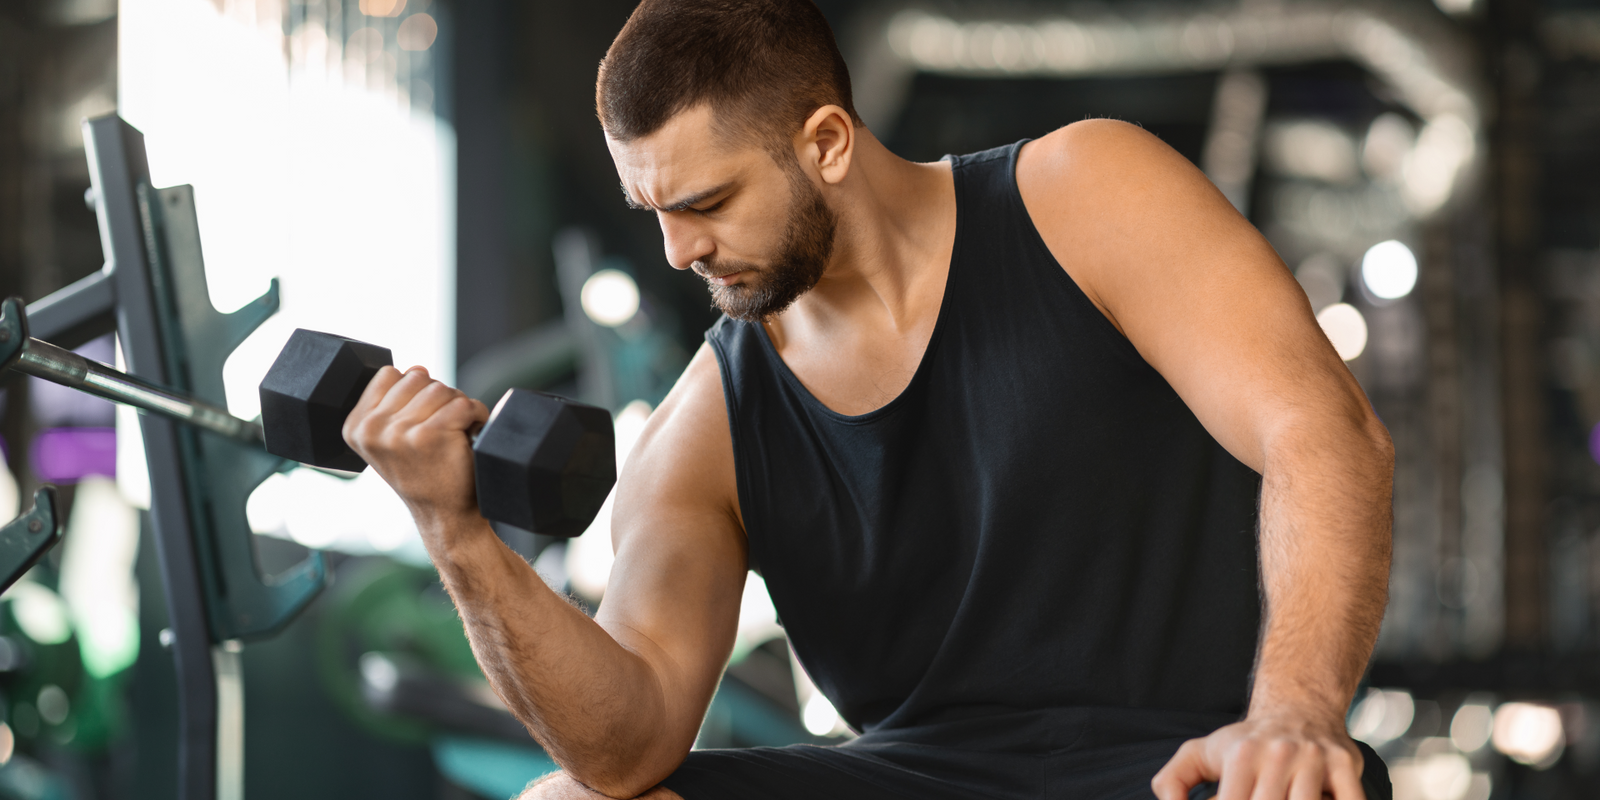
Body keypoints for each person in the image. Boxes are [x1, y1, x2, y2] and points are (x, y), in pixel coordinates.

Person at [342, 0, 1396, 797]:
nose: (678, 250)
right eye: (652, 211)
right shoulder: (712, 416)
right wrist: (456, 531)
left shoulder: (1084, 194)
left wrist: (1296, 710)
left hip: (1193, 760)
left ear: (828, 143)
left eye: (706, 201)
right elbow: (628, 742)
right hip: (915, 777)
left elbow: (1322, 431)